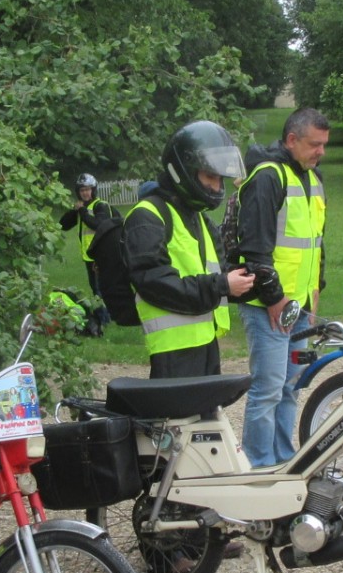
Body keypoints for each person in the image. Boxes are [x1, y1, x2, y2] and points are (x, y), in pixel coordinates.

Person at [234, 108, 329, 467]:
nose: (320, 152)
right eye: (314, 145)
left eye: (323, 145)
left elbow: (316, 243)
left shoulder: (313, 178)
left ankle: (283, 461)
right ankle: (259, 466)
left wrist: (315, 290)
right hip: (268, 305)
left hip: (299, 304)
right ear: (292, 140)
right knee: (269, 388)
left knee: (290, 387)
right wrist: (274, 299)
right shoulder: (267, 176)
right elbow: (255, 246)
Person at [125, 121, 254, 378]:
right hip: (173, 351)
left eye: (219, 178)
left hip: (205, 341)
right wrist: (221, 286)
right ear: (182, 171)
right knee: (178, 419)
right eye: (209, 177)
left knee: (208, 417)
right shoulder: (147, 217)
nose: (217, 187)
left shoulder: (199, 219)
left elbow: (217, 273)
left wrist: (253, 280)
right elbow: (154, 282)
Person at [59, 173, 117, 336]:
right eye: (82, 190)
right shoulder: (82, 209)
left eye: (88, 190)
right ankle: (106, 317)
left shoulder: (100, 206)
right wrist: (74, 211)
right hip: (89, 256)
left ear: (94, 190)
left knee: (101, 290)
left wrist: (83, 211)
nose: (85, 193)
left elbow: (98, 224)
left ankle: (105, 320)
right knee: (96, 289)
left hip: (101, 255)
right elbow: (63, 225)